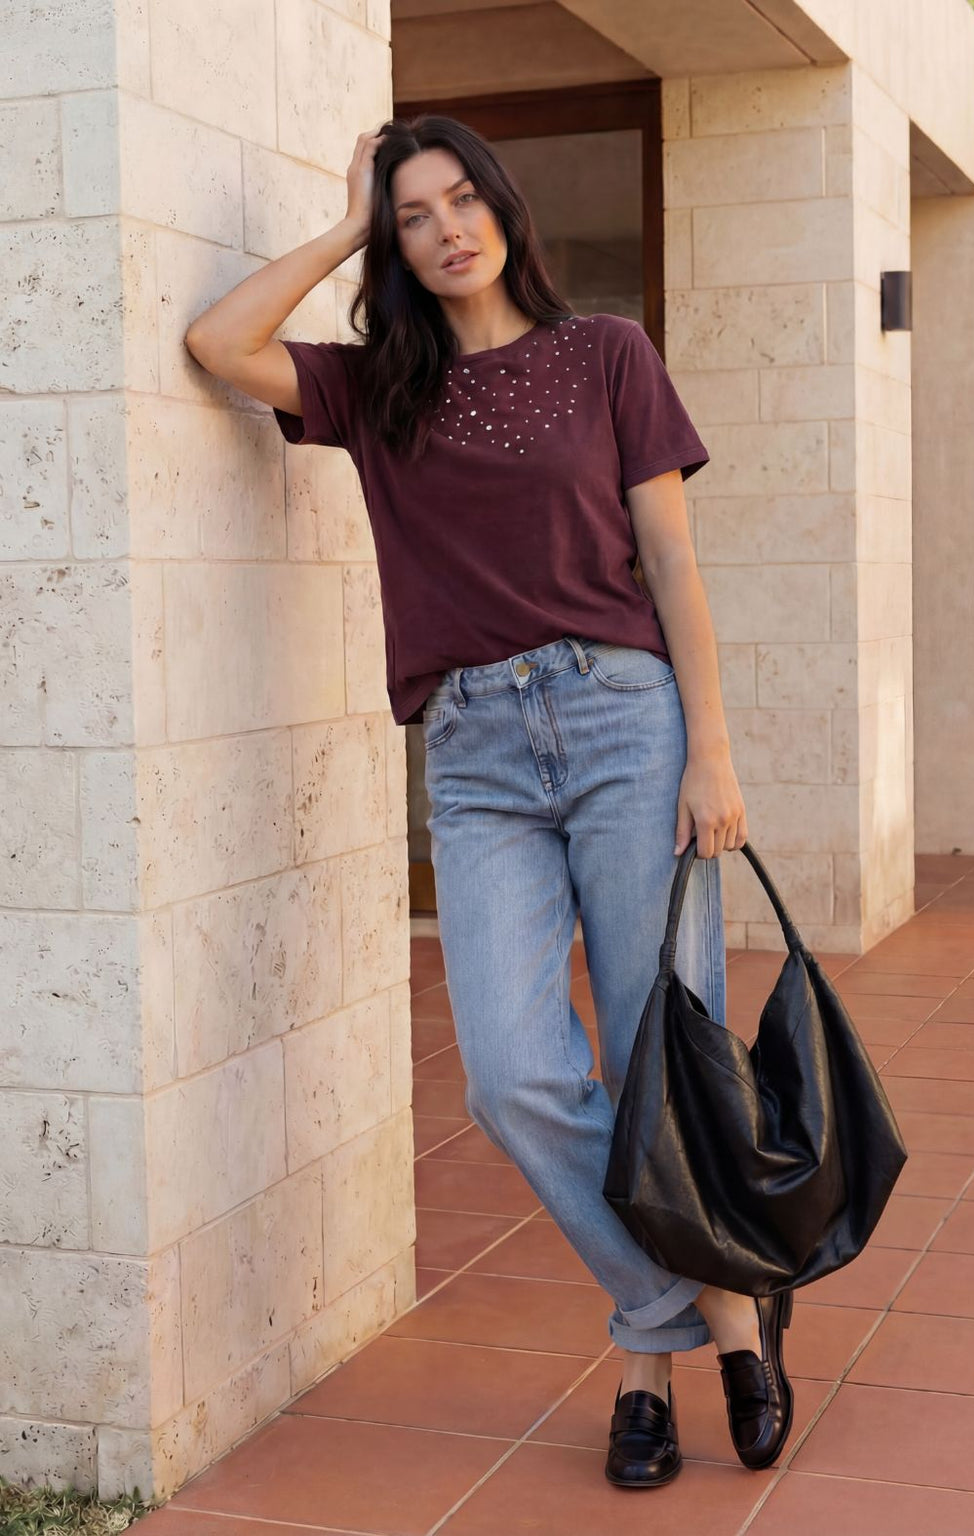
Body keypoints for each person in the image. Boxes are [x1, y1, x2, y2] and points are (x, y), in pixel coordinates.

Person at [183, 113, 794, 1489]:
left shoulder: (606, 356)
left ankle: (650, 1370)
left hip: (627, 721)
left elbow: (672, 562)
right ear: (395, 243)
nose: (449, 228)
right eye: (415, 214)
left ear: (504, 208)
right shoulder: (377, 386)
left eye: (464, 199)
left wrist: (715, 750)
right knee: (516, 1076)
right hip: (472, 752)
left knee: (659, 1057)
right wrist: (340, 224)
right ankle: (712, 1308)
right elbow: (219, 347)